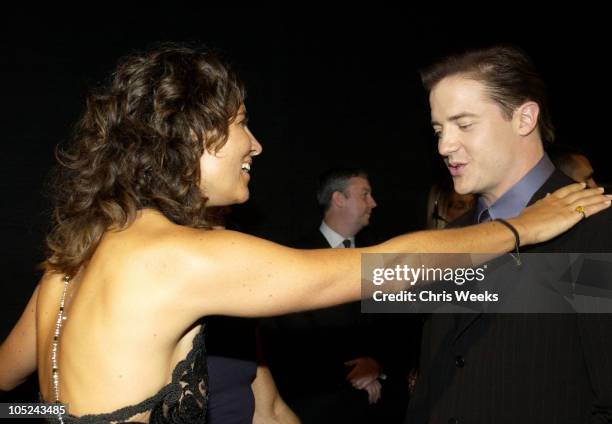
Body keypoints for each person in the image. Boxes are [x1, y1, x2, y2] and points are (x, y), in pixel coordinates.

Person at [0, 44, 608, 423]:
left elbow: (13, 388)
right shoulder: (177, 258)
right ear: (191, 138)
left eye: (463, 123)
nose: (257, 144)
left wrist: (60, 415)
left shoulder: (71, 264)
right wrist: (521, 228)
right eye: (241, 124)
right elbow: (374, 269)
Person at [406, 45, 612, 424]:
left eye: (464, 124)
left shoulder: (597, 229)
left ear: (524, 118)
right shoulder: (449, 237)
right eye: (438, 130)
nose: (444, 146)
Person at [262, 168, 385, 423]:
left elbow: (394, 325)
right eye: (365, 194)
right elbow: (288, 340)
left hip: (375, 407)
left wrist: (376, 364)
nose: (373, 202)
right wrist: (351, 374)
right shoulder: (297, 256)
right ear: (339, 199)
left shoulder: (379, 252)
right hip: (315, 406)